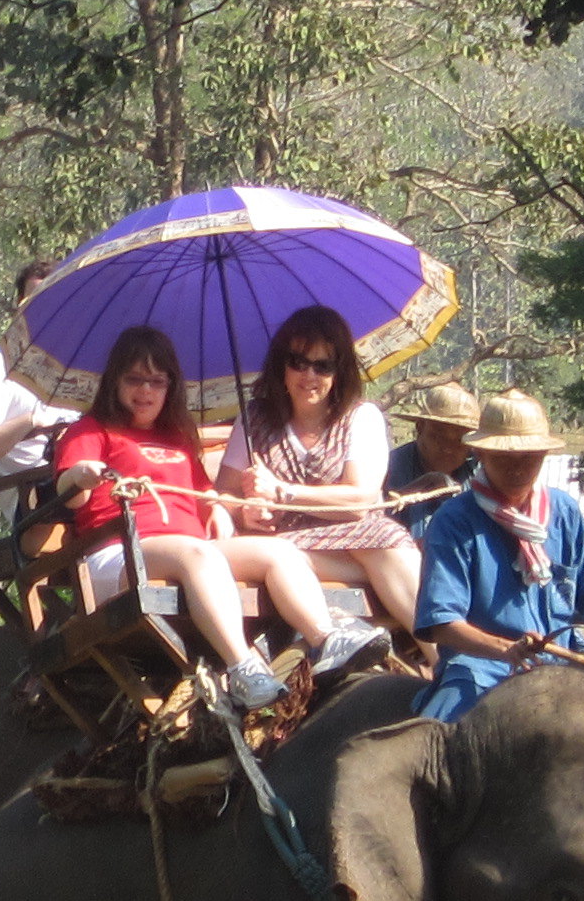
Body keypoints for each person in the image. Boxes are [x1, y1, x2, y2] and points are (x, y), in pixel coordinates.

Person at [48, 323, 381, 711]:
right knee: (198, 554)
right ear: (115, 382)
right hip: (119, 556)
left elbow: (205, 492)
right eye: (135, 379)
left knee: (279, 552)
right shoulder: (91, 430)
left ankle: (327, 638)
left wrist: (222, 507)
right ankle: (242, 667)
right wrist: (81, 475)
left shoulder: (177, 436)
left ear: (171, 386)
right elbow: (68, 495)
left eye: (157, 381)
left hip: (191, 553)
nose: (146, 391)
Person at [411, 390, 584, 718]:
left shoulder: (564, 512)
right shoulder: (454, 519)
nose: (518, 466)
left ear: (544, 454)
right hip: (479, 673)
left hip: (559, 673)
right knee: (435, 743)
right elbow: (442, 623)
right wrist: (507, 651)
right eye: (505, 456)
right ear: (479, 452)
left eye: (529, 456)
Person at [216, 304, 426, 628]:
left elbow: (360, 502)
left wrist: (282, 493)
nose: (309, 376)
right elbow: (225, 494)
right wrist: (245, 510)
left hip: (351, 546)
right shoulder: (254, 419)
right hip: (277, 549)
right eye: (298, 362)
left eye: (322, 366)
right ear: (281, 366)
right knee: (382, 544)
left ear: (339, 371)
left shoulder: (360, 417)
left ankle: (442, 655)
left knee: (383, 536)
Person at [0, 257, 79, 479]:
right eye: (36, 299)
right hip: (38, 501)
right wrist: (29, 421)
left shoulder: (91, 363)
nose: (46, 308)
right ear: (20, 305)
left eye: (55, 298)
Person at [384, 376, 481, 532]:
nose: (448, 448)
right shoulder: (388, 468)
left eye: (459, 440)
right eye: (439, 436)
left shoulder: (480, 472)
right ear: (420, 428)